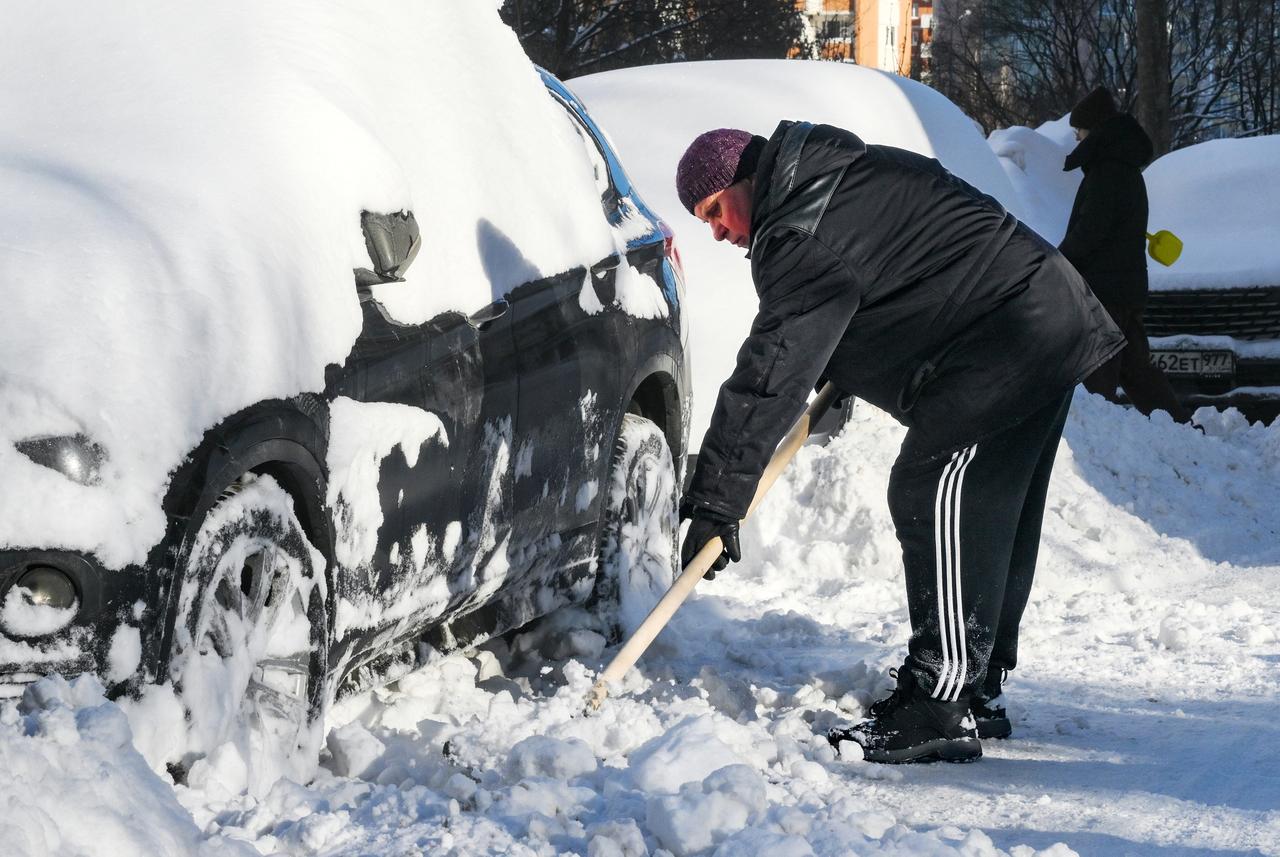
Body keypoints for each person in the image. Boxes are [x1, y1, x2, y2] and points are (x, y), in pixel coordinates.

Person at [674, 123, 1124, 764]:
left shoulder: (800, 231)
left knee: (929, 484)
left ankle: (938, 702)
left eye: (715, 210)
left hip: (1011, 334)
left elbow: (769, 374)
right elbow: (900, 272)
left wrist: (718, 500)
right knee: (992, 504)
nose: (717, 232)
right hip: (1044, 314)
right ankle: (976, 690)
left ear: (745, 180)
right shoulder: (838, 181)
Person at [1060, 86, 1191, 423]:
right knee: (1135, 370)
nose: (1077, 140)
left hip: (1105, 290)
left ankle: (1091, 437)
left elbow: (1091, 231)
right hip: (1123, 286)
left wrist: (1057, 262)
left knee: (1096, 373)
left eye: (1080, 132)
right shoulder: (1123, 169)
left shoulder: (1108, 172)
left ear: (1095, 131)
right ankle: (1179, 429)